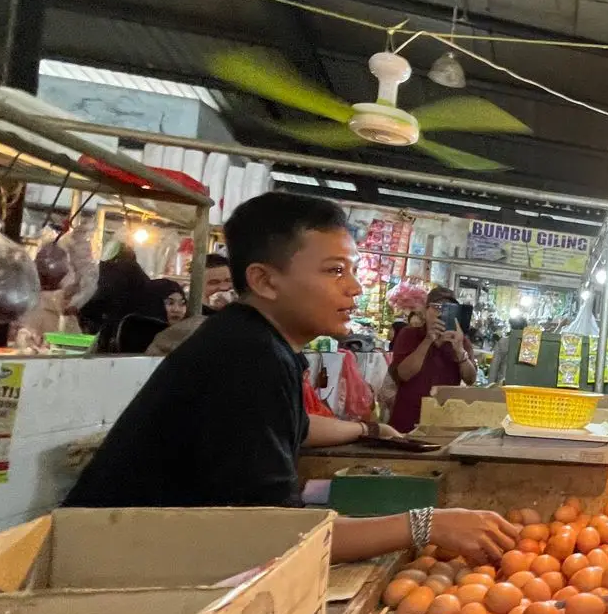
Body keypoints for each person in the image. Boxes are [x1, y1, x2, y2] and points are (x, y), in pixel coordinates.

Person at [65, 193, 517, 565]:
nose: (355, 287)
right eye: (334, 270)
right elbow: (279, 535)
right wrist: (426, 524)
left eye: (353, 270)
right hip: (108, 575)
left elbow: (295, 424)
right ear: (264, 280)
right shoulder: (246, 356)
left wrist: (369, 428)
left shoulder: (256, 342)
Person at [389, 286, 478, 432]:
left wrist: (460, 351)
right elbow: (403, 375)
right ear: (425, 311)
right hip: (406, 419)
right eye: (437, 307)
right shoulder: (409, 335)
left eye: (449, 308)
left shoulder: (461, 341)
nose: (441, 312)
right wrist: (428, 340)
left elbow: (470, 379)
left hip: (441, 421)